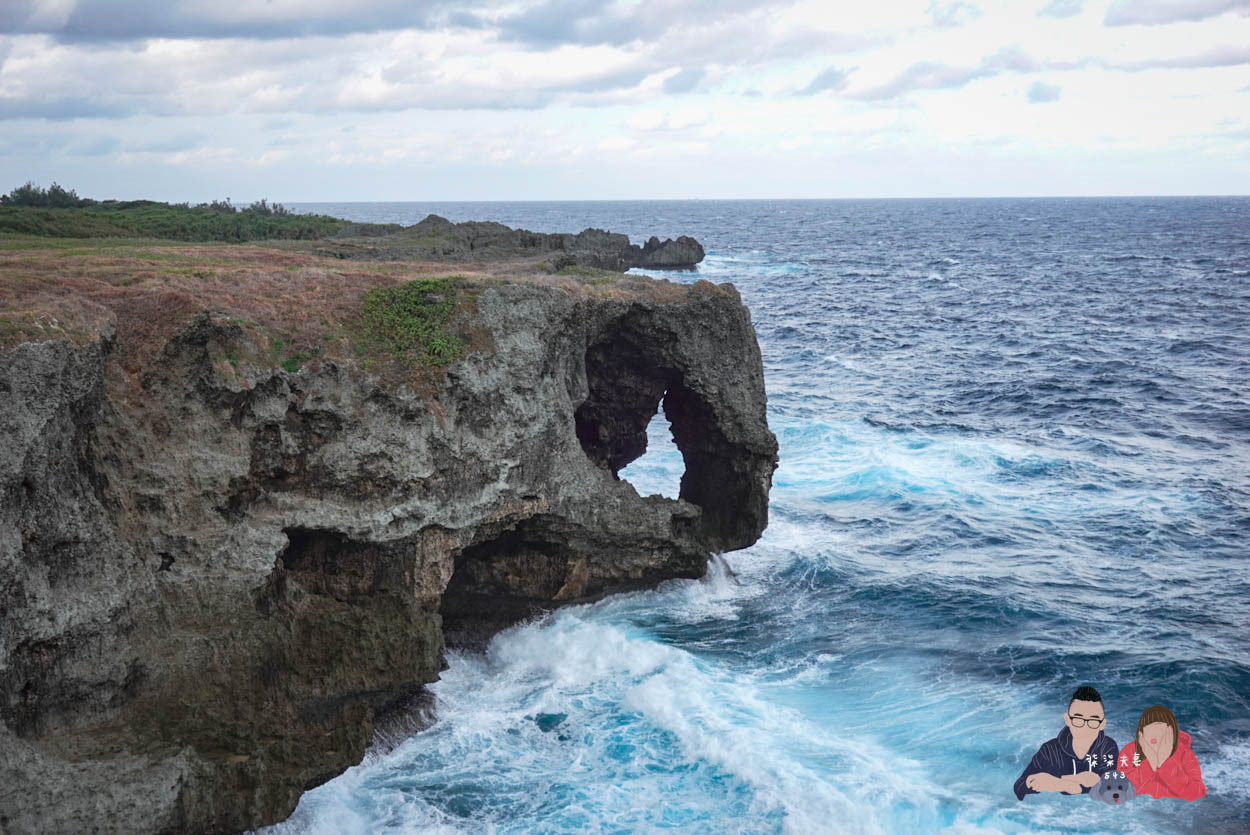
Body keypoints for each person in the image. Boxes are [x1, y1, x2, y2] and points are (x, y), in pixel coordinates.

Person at [1014, 685, 1119, 800]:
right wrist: (1033, 783)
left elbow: (1112, 787)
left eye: (1093, 721)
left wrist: (1063, 784)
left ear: (1102, 724)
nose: (1085, 727)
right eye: (1078, 719)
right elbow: (1019, 786)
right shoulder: (1050, 750)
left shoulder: (1108, 747)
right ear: (1068, 720)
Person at [1118, 704, 1206, 801]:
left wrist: (1165, 761)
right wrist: (1150, 762)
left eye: (1159, 728)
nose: (1153, 734)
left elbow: (1195, 793)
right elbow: (1120, 790)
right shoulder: (1129, 751)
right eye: (1148, 728)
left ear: (1170, 732)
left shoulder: (1185, 754)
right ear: (1141, 733)